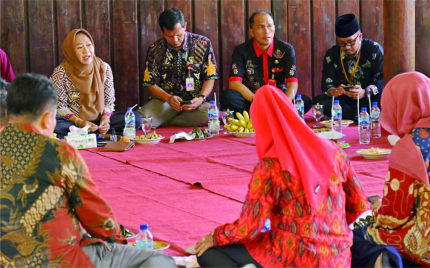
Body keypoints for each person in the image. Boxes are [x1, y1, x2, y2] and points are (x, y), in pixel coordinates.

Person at [0, 74, 176, 268]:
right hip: (61, 261)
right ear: (46, 119)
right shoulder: (58, 153)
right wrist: (118, 244)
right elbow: (96, 215)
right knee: (157, 259)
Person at [195, 85, 369, 267]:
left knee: (208, 254)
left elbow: (248, 227)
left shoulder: (270, 166)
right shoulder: (335, 151)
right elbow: (359, 204)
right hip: (338, 257)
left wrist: (216, 236)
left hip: (292, 257)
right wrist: (327, 230)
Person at [351, 72, 430, 268]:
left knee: (357, 235)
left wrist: (378, 207)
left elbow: (394, 217)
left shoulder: (410, 147)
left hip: (426, 244)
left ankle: (385, 261)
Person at [51, 29, 141, 138]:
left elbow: (109, 102)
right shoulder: (60, 73)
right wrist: (81, 123)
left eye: (89, 45)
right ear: (70, 51)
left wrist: (105, 119)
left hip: (99, 121)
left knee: (136, 119)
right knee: (55, 125)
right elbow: (61, 108)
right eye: (79, 47)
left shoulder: (103, 68)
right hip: (74, 123)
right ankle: (100, 135)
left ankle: (90, 134)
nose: (86, 51)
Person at [220, 10, 312, 115]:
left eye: (269, 26)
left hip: (278, 99)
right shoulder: (241, 50)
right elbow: (235, 83)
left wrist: (284, 102)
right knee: (227, 97)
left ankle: (261, 115)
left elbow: (292, 82)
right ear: (252, 31)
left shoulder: (286, 49)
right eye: (260, 27)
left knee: (305, 101)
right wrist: (257, 100)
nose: (266, 31)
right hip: (252, 99)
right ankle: (273, 115)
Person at [138, 8, 218, 128]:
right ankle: (171, 118)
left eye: (178, 35)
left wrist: (201, 98)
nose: (175, 40)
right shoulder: (155, 49)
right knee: (142, 120)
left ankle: (167, 121)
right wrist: (168, 98)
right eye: (169, 36)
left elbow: (210, 77)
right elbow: (151, 84)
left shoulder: (202, 43)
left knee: (210, 115)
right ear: (162, 32)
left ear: (185, 25)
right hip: (165, 102)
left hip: (194, 102)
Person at [313, 13, 383, 120]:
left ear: (360, 36)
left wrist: (365, 92)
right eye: (342, 43)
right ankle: (359, 115)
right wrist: (335, 91)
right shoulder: (332, 54)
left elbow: (382, 77)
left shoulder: (373, 49)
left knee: (382, 99)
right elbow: (327, 83)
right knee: (319, 101)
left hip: (367, 97)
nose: (347, 47)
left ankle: (351, 115)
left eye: (351, 42)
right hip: (344, 99)